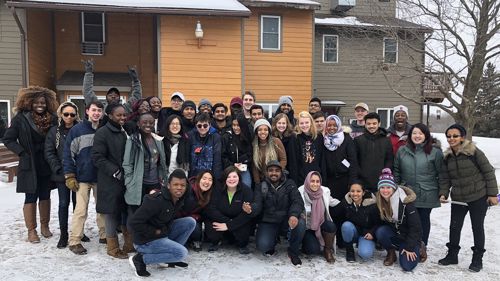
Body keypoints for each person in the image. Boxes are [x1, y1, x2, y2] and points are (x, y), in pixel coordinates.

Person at [438, 124, 498, 272]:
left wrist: (492, 194)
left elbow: (488, 172)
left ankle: (477, 259)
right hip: (459, 198)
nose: (451, 139)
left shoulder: (474, 152)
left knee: (477, 228)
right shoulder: (447, 157)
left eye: (455, 136)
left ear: (462, 137)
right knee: (454, 226)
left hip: (478, 196)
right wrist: (444, 193)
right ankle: (452, 255)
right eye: (449, 136)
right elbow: (445, 178)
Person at [3, 86, 58, 243]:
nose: (40, 105)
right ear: (29, 103)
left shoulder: (53, 119)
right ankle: (31, 230)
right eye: (36, 102)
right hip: (29, 163)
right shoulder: (20, 119)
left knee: (45, 195)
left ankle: (45, 226)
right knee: (31, 196)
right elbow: (8, 139)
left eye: (43, 102)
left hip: (46, 163)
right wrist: (21, 152)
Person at [128, 169, 196, 277]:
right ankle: (140, 259)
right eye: (176, 184)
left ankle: (170, 259)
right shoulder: (156, 200)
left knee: (190, 222)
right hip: (145, 241)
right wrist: (155, 231)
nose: (179, 188)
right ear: (168, 185)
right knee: (181, 253)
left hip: (162, 232)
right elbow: (134, 222)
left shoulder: (178, 198)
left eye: (182, 185)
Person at [393, 123, 443, 262]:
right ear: (410, 135)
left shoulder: (435, 152)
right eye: (414, 133)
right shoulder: (402, 150)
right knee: (408, 218)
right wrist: (397, 187)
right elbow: (396, 170)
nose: (417, 136)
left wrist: (443, 191)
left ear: (426, 135)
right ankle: (409, 243)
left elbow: (442, 173)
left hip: (427, 192)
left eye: (420, 133)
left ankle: (422, 245)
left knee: (423, 219)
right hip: (407, 191)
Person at [63, 101, 106, 254]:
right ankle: (74, 240)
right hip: (82, 177)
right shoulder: (77, 130)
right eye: (93, 110)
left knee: (102, 209)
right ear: (87, 111)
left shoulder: (104, 129)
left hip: (100, 177)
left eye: (99, 111)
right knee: (80, 210)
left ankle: (104, 235)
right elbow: (68, 154)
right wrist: (69, 175)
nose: (96, 113)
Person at [91, 104, 131, 259]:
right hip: (110, 179)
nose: (122, 118)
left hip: (125, 179)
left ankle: (129, 242)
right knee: (111, 213)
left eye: (124, 115)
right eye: (118, 115)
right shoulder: (103, 133)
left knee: (125, 211)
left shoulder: (124, 130)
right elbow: (97, 157)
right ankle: (112, 247)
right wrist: (114, 171)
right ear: (110, 115)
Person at [249, 160, 305, 266]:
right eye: (271, 170)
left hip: (286, 220)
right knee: (263, 246)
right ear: (266, 172)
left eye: (277, 171)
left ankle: (293, 251)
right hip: (269, 221)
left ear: (281, 172)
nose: (274, 173)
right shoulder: (261, 186)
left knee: (301, 223)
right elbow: (257, 204)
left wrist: (293, 215)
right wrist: (251, 209)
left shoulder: (290, 184)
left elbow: (297, 201)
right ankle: (272, 242)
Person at [44, 101, 82, 248]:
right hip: (61, 174)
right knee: (63, 204)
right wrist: (58, 169)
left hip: (79, 173)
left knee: (78, 205)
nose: (69, 117)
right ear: (61, 114)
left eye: (72, 114)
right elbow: (49, 152)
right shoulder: (54, 132)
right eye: (66, 114)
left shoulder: (79, 129)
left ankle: (78, 232)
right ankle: (64, 234)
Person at [375, 168, 422, 272]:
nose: (385, 190)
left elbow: (416, 227)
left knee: (407, 266)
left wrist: (409, 247)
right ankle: (391, 252)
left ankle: (419, 248)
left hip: (409, 238)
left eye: (388, 187)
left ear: (393, 188)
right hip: (397, 235)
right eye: (382, 187)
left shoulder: (406, 202)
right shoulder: (380, 201)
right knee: (381, 231)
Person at [123, 113, 168, 213]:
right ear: (138, 124)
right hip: (138, 184)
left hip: (155, 183)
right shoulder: (133, 140)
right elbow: (127, 163)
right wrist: (129, 182)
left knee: (153, 213)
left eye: (151, 122)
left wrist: (163, 178)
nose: (148, 125)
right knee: (137, 214)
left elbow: (161, 163)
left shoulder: (158, 140)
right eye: (144, 122)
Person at [204, 166, 254, 254]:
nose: (232, 179)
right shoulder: (217, 189)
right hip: (221, 219)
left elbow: (246, 213)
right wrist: (227, 222)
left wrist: (230, 225)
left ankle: (240, 244)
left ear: (239, 178)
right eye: (229, 177)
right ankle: (217, 241)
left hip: (237, 220)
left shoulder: (246, 191)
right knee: (212, 230)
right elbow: (211, 209)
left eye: (234, 177)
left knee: (243, 234)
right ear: (225, 178)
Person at [298, 171, 339, 263]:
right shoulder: (301, 193)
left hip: (320, 225)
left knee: (331, 226)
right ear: (308, 181)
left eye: (317, 181)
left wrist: (348, 200)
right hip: (307, 228)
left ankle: (327, 250)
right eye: (312, 181)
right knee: (312, 250)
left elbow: (333, 202)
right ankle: (306, 245)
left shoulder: (324, 192)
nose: (315, 184)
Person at [354, 112, 394, 194]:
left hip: (381, 182)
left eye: (374, 123)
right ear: (365, 124)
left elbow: (389, 159)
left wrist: (385, 173)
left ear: (379, 124)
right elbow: (355, 161)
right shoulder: (358, 140)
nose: (371, 126)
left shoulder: (386, 140)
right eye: (368, 124)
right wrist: (359, 176)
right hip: (363, 182)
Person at [339, 183, 379, 262]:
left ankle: (363, 244)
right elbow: (339, 217)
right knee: (346, 225)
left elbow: (379, 223)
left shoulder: (372, 205)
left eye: (358, 191)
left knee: (365, 254)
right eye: (352, 191)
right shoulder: (346, 203)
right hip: (354, 232)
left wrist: (372, 233)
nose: (355, 194)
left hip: (366, 234)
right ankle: (349, 250)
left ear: (363, 192)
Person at [322, 115, 358, 200]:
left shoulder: (346, 138)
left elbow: (353, 161)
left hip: (345, 180)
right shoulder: (323, 139)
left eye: (335, 125)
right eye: (329, 125)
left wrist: (352, 181)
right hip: (329, 181)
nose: (332, 128)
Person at [288, 111, 326, 185]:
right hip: (301, 179)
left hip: (316, 178)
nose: (304, 125)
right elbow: (293, 162)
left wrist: (323, 178)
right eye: (301, 123)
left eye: (306, 122)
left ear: (311, 123)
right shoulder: (295, 138)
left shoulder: (318, 137)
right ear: (298, 124)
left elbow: (322, 159)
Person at [183, 170, 215, 251]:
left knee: (197, 229)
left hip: (195, 218)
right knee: (193, 223)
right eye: (204, 178)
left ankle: (195, 240)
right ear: (199, 179)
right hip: (180, 217)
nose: (207, 182)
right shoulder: (188, 188)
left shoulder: (208, 194)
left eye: (210, 180)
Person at [188, 113, 223, 180]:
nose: (202, 128)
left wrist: (216, 179)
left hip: (209, 176)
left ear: (209, 125)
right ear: (196, 126)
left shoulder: (216, 137)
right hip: (194, 176)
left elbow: (217, 160)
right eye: (199, 126)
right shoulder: (191, 136)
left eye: (205, 125)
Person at [252, 119, 287, 184]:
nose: (263, 132)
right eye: (260, 130)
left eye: (265, 129)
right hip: (262, 180)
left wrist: (276, 173)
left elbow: (283, 160)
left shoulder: (276, 142)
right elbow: (255, 167)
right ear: (256, 132)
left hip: (277, 178)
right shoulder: (254, 145)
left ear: (269, 131)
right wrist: (257, 183)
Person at [222, 115, 253, 188]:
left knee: (246, 185)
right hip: (230, 167)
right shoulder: (226, 137)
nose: (235, 128)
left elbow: (250, 154)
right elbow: (223, 155)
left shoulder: (248, 136)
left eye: (238, 125)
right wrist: (232, 164)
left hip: (244, 168)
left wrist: (243, 162)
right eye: (234, 125)